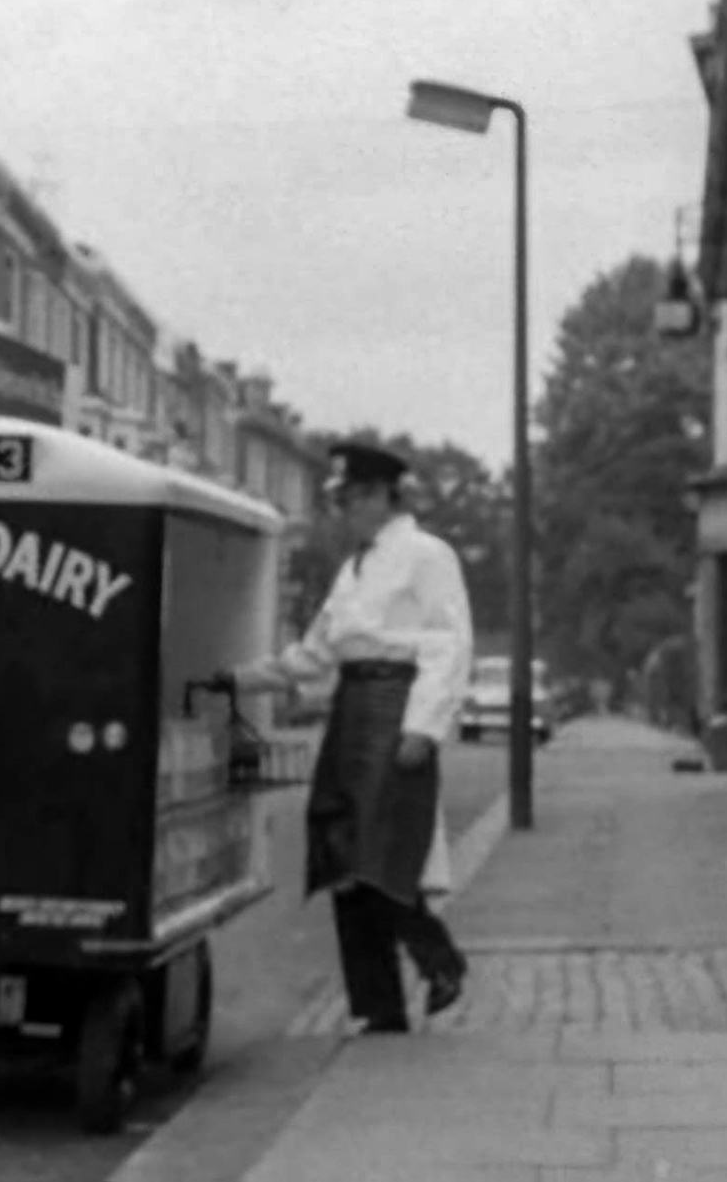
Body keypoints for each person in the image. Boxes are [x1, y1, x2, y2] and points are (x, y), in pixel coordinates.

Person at [219, 441, 475, 1034]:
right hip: (352, 704)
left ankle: (439, 960)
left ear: (388, 495)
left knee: (384, 853)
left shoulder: (426, 555)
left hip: (396, 701)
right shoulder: (352, 570)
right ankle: (378, 1005)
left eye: (359, 496)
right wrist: (238, 676)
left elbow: (449, 645)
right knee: (340, 852)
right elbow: (315, 653)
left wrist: (423, 727)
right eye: (343, 499)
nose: (348, 509)